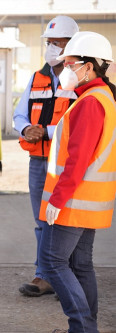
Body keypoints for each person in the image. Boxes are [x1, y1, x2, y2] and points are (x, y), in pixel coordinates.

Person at [38, 31, 116, 333]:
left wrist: (57, 199)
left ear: (90, 67)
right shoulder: (102, 98)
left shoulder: (90, 103)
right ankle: (86, 327)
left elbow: (77, 159)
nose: (65, 70)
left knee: (52, 263)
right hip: (87, 201)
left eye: (71, 64)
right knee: (81, 265)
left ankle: (83, 327)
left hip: (72, 201)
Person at [13, 15, 79, 297]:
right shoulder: (37, 78)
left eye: (58, 43)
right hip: (39, 163)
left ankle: (68, 275)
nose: (51, 47)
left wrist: (47, 131)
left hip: (68, 163)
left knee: (68, 221)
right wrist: (26, 128)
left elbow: (80, 122)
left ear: (72, 45)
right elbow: (18, 113)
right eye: (49, 42)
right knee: (42, 222)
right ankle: (44, 275)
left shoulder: (80, 79)